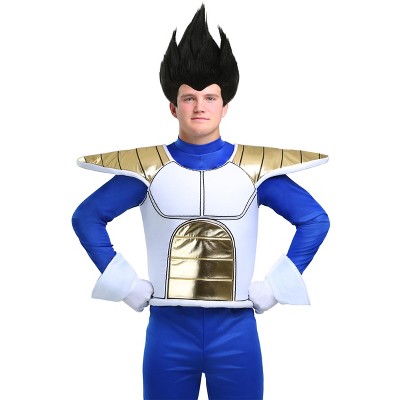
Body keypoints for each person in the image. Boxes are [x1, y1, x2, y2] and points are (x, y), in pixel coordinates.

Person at [72, 4, 330, 399]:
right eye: (189, 97)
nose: (199, 106)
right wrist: (124, 283)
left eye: (209, 97)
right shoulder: (147, 169)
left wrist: (277, 286)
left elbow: (314, 219)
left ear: (225, 106)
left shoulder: (255, 170)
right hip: (168, 329)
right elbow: (87, 217)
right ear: (173, 106)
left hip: (236, 330)